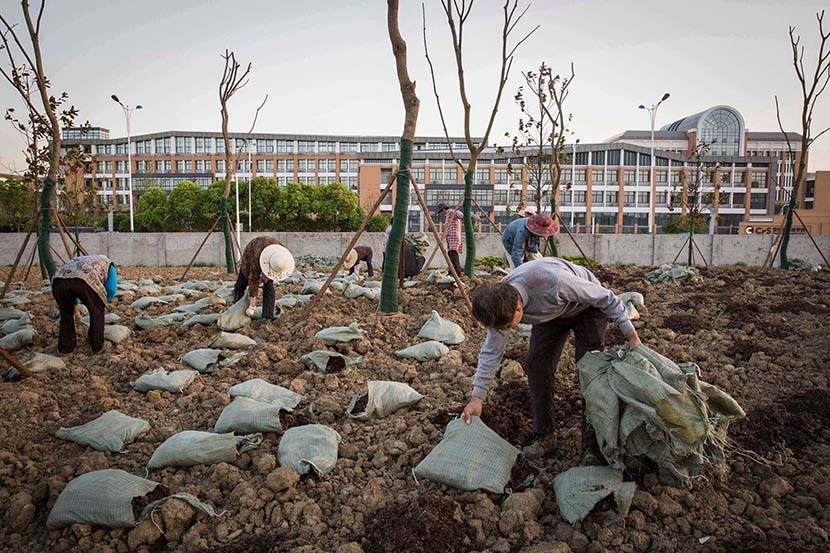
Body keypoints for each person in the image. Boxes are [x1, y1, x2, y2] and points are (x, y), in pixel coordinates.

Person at [461, 257, 642, 462]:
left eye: (508, 326)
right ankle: (545, 436)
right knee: (537, 366)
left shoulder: (554, 282)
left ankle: (593, 446)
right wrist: (477, 398)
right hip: (551, 315)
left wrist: (631, 336)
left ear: (519, 308)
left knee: (591, 373)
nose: (505, 332)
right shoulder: (499, 305)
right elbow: (492, 351)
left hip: (588, 308)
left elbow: (606, 297)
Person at [51, 255, 117, 354]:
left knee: (66, 315)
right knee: (97, 312)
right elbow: (111, 288)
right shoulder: (109, 264)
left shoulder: (80, 260)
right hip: (84, 279)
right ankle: (97, 346)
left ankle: (65, 348)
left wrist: (76, 304)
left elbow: (71, 286)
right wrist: (107, 300)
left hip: (58, 280)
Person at [233, 236, 295, 319]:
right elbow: (253, 280)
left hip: (272, 260)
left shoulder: (281, 255)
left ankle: (267, 316)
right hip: (251, 254)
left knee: (269, 286)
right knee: (240, 284)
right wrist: (252, 305)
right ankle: (237, 307)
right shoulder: (256, 260)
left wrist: (268, 276)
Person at [435, 202, 464, 276]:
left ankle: (457, 272)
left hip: (454, 236)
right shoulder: (448, 216)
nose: (441, 213)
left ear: (444, 209)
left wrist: (464, 216)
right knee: (451, 254)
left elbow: (460, 215)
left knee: (453, 254)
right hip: (450, 238)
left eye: (441, 211)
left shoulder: (451, 212)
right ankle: (452, 271)